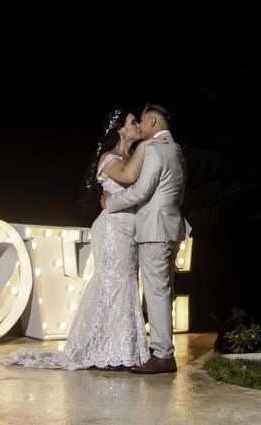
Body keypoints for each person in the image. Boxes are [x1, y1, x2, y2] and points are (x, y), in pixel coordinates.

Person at [0, 109, 164, 370]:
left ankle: (121, 348)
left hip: (131, 231)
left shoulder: (134, 157)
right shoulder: (109, 158)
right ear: (120, 129)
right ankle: (108, 351)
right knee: (114, 283)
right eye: (133, 122)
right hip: (112, 230)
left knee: (126, 284)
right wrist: (149, 144)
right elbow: (129, 177)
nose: (137, 126)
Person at [102, 103, 189, 374]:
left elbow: (140, 191)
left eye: (141, 121)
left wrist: (110, 203)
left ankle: (163, 355)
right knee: (164, 291)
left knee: (156, 293)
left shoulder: (155, 149)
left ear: (152, 122)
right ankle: (160, 350)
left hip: (154, 230)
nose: (139, 126)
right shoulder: (176, 150)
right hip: (170, 228)